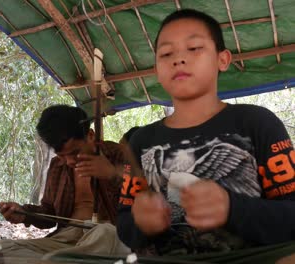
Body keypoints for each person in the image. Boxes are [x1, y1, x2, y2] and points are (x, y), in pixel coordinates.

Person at [117, 9, 295, 263]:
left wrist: (233, 209)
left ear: (222, 59)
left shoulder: (257, 123)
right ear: (156, 69)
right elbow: (124, 225)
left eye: (194, 48)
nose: (178, 59)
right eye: (167, 53)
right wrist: (141, 223)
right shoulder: (142, 141)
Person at [0, 104, 130, 260]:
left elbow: (142, 203)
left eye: (75, 152)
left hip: (106, 239)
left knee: (106, 232)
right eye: (62, 156)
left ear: (91, 136)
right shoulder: (57, 166)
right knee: (1, 248)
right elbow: (49, 214)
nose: (69, 161)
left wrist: (112, 174)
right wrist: (24, 214)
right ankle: (58, 260)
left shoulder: (120, 155)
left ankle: (54, 260)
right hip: (67, 239)